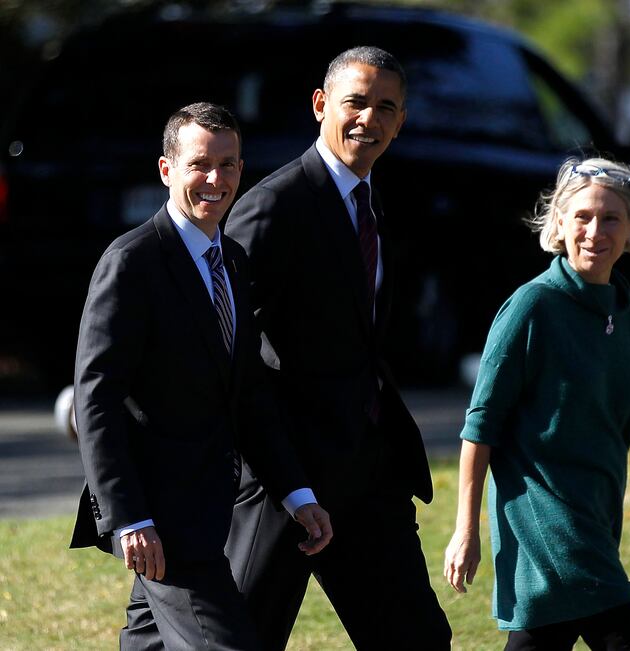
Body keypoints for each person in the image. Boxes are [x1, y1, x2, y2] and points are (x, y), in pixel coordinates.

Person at [443, 157, 630, 650]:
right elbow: (480, 427)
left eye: (610, 218)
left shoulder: (623, 307)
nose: (594, 231)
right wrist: (466, 530)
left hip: (597, 521)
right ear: (559, 223)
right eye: (582, 216)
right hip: (548, 526)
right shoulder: (532, 307)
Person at [69, 102, 332, 651]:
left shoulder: (231, 259)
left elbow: (247, 393)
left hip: (210, 512)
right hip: (161, 520)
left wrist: (295, 491)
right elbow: (96, 399)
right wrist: (129, 517)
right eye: (200, 164)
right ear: (167, 169)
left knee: (149, 642)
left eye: (230, 164)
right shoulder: (131, 261)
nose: (217, 179)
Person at [224, 47, 452, 650]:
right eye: (355, 102)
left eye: (385, 108)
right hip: (287, 482)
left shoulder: (376, 201)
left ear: (401, 122)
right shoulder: (273, 206)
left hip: (367, 469)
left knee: (417, 639)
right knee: (238, 640)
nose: (367, 120)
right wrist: (275, 467)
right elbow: (227, 343)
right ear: (322, 105)